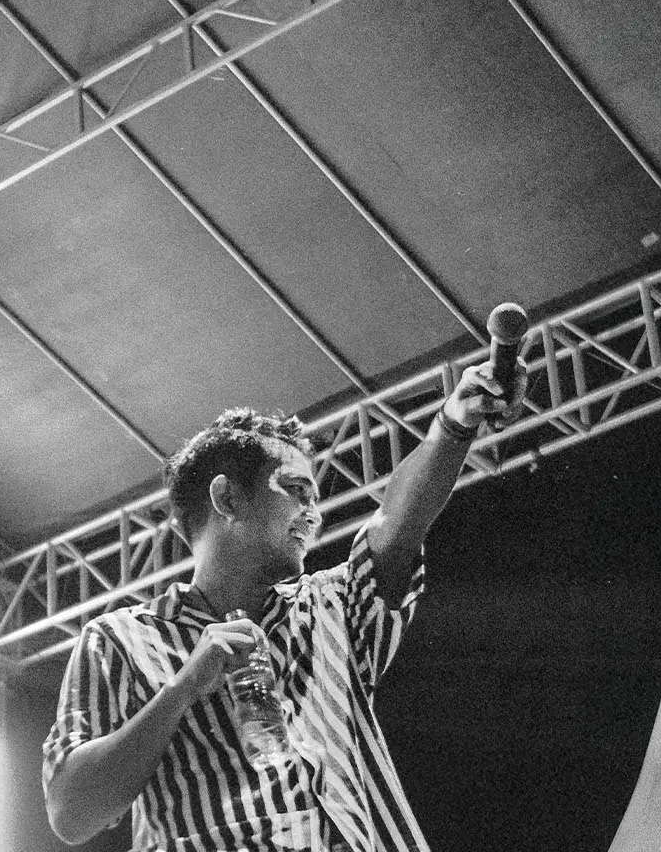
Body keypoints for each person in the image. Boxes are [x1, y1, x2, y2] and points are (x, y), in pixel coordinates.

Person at [42, 362, 525, 851]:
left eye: (314, 497)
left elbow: (398, 522)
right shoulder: (121, 640)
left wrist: (454, 424)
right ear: (227, 498)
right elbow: (70, 814)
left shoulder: (331, 606)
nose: (313, 514)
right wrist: (183, 688)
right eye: (295, 491)